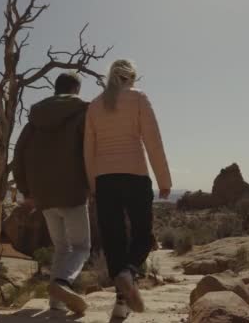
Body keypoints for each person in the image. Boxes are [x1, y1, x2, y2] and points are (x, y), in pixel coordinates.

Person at [84, 59, 172, 318]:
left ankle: (121, 304)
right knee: (143, 235)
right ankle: (129, 273)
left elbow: (88, 151)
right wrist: (164, 180)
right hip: (135, 175)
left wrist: (93, 185)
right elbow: (153, 140)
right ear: (130, 77)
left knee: (114, 240)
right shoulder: (138, 99)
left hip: (105, 180)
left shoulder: (95, 105)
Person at [13, 72, 91, 315]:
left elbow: (18, 155)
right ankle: (62, 283)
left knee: (61, 248)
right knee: (81, 247)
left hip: (43, 196)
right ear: (76, 89)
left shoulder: (35, 119)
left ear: (56, 89)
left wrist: (26, 190)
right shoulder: (82, 114)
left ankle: (56, 303)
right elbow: (91, 150)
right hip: (73, 192)